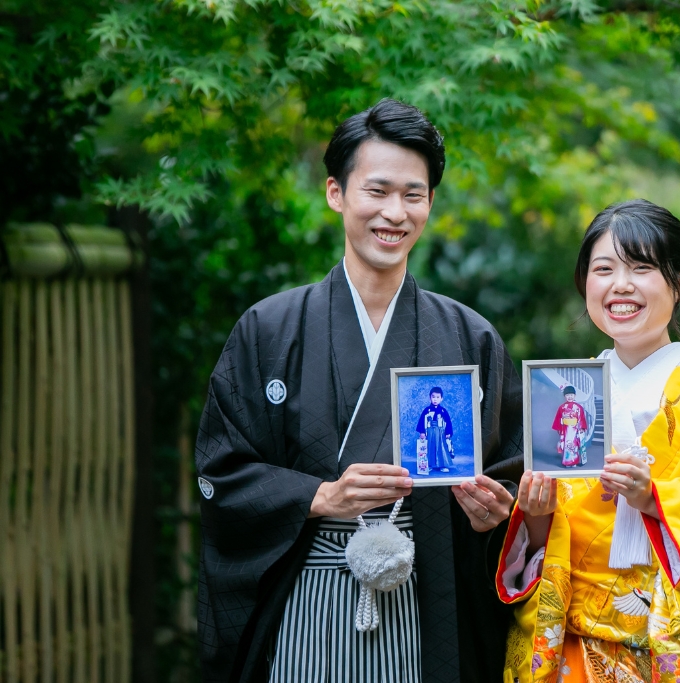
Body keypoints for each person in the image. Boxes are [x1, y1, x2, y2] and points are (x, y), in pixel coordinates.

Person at [194, 99, 523, 683]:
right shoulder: (270, 329)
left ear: (430, 203)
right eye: (378, 190)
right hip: (307, 600)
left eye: (413, 195)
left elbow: (512, 474)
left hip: (427, 606)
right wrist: (319, 496)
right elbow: (222, 472)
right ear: (336, 193)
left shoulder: (469, 336)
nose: (395, 212)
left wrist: (497, 514)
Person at [496, 200, 680, 683]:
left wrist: (655, 497)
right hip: (578, 652)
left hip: (676, 650)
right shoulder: (563, 389)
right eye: (603, 269)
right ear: (585, 284)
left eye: (641, 268)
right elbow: (550, 539)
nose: (621, 285)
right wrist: (535, 516)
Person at [417, 386, 455, 472]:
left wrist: (448, 432)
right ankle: (429, 464)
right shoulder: (426, 410)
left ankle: (442, 465)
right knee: (429, 447)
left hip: (441, 432)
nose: (435, 399)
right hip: (429, 431)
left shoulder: (443, 411)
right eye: (433, 397)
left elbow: (448, 422)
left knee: (441, 447)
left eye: (438, 397)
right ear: (430, 398)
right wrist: (422, 432)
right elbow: (422, 421)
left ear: (441, 399)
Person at [551, 386, 588, 467]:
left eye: (571, 395)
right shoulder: (562, 407)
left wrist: (581, 428)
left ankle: (574, 461)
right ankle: (567, 461)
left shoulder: (578, 407)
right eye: (567, 395)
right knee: (566, 445)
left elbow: (581, 418)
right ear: (564, 396)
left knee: (574, 445)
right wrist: (559, 428)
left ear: (575, 395)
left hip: (575, 429)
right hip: (565, 429)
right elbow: (558, 418)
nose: (570, 397)